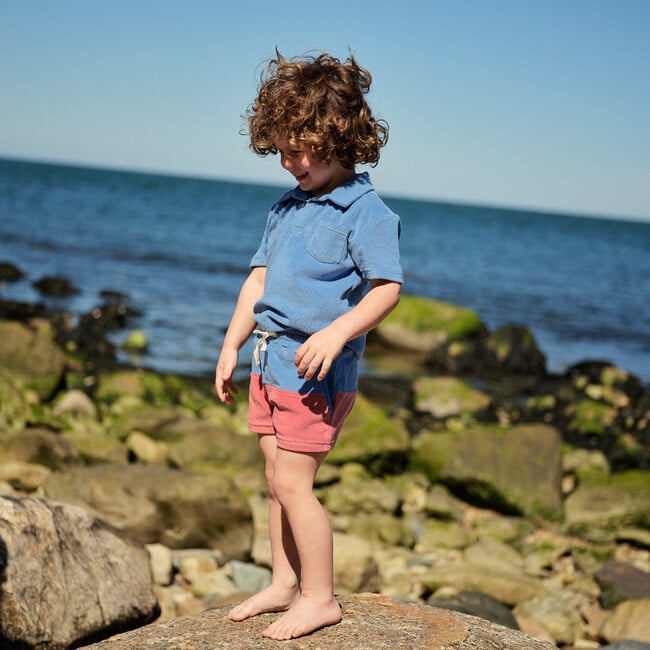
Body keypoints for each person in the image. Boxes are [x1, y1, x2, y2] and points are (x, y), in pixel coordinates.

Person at [214, 50, 403, 641]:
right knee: (276, 480)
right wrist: (230, 346)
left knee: (295, 484)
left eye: (303, 149)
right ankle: (283, 582)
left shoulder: (366, 213)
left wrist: (338, 329)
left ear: (342, 137)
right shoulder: (286, 208)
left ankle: (320, 598)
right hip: (269, 361)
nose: (290, 161)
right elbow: (260, 281)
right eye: (283, 150)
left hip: (317, 372)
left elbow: (387, 288)